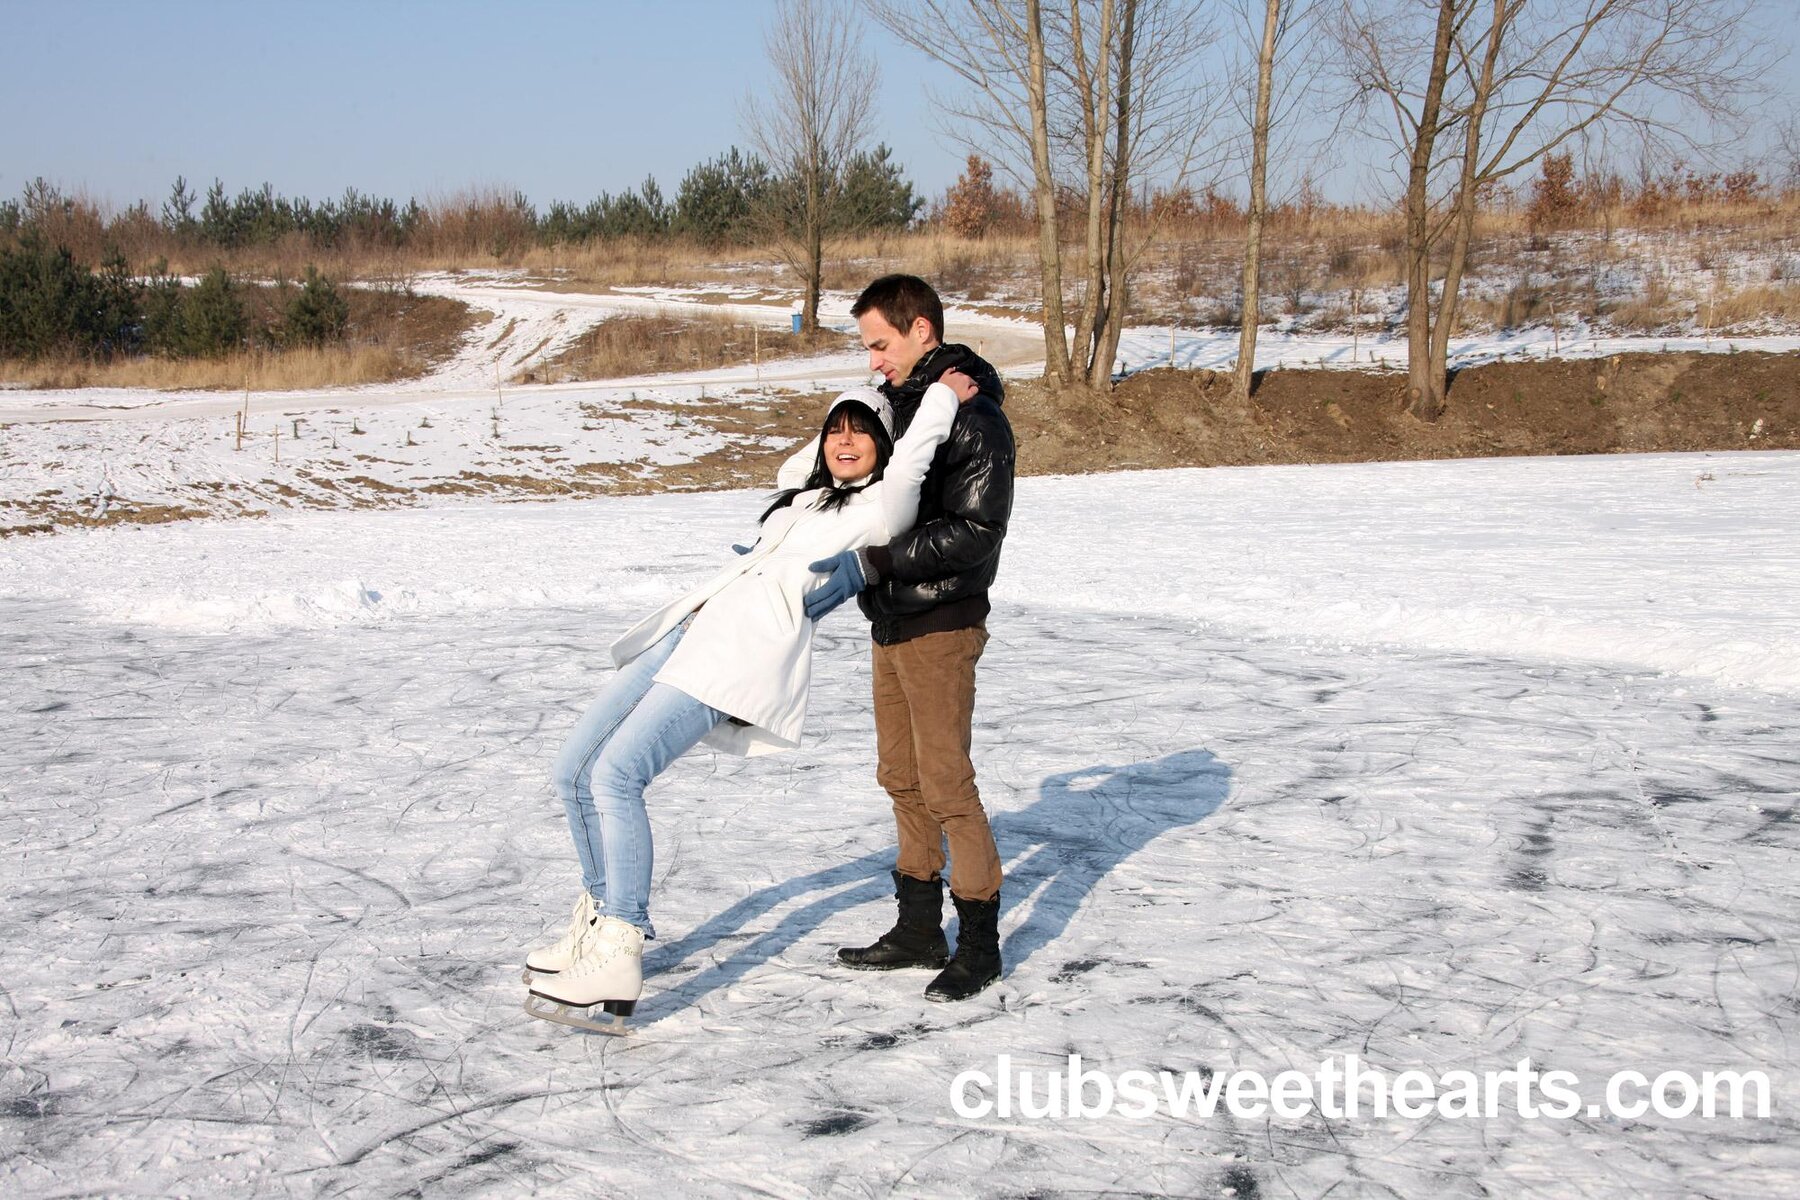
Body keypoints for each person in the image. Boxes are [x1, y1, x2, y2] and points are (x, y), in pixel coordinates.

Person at [523, 371, 977, 1033]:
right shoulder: (805, 497)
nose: (843, 442)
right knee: (572, 769)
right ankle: (595, 925)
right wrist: (861, 395)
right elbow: (801, 462)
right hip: (690, 626)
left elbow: (911, 462)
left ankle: (619, 946)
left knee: (617, 775)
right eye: (834, 431)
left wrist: (936, 396)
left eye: (860, 433)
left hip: (737, 654)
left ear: (885, 444)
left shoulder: (884, 506)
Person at [803, 274, 1016, 1003]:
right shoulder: (903, 410)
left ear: (921, 330)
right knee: (900, 775)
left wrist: (880, 562)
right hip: (890, 619)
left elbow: (977, 530)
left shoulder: (974, 416)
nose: (873, 360)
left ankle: (980, 945)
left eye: (880, 344)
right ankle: (919, 926)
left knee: (946, 781)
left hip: (942, 623)